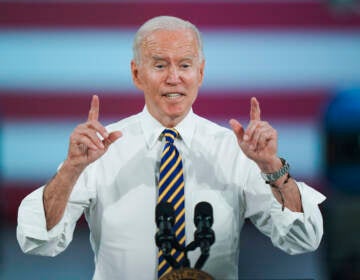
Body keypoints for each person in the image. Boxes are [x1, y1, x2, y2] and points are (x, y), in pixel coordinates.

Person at [17, 16, 326, 280]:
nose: (174, 78)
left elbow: (302, 239)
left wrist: (272, 167)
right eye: (160, 65)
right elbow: (38, 241)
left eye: (185, 65)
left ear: (200, 73)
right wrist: (72, 169)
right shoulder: (98, 148)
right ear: (137, 73)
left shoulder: (235, 150)